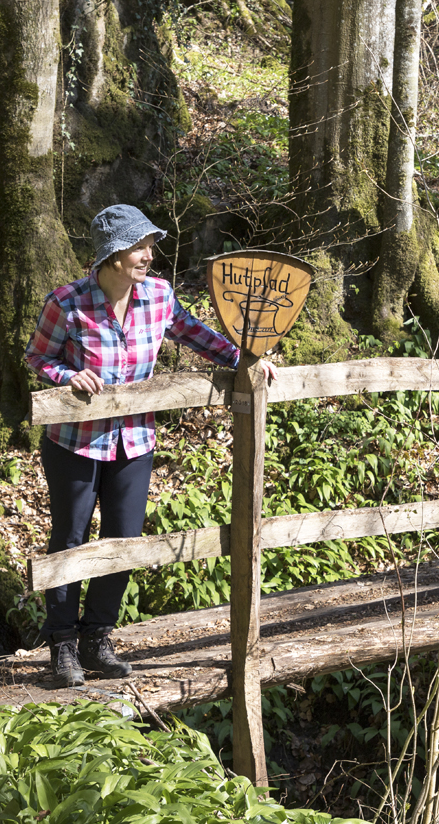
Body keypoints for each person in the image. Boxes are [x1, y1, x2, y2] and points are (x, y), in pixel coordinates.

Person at [24, 204, 276, 686]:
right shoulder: (68, 302)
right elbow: (39, 356)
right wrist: (66, 374)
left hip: (135, 441)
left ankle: (97, 638)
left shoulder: (159, 296)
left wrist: (249, 360)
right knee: (71, 541)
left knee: (125, 541)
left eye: (149, 245)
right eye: (140, 247)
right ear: (113, 255)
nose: (148, 255)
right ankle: (61, 646)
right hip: (74, 443)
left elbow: (195, 334)